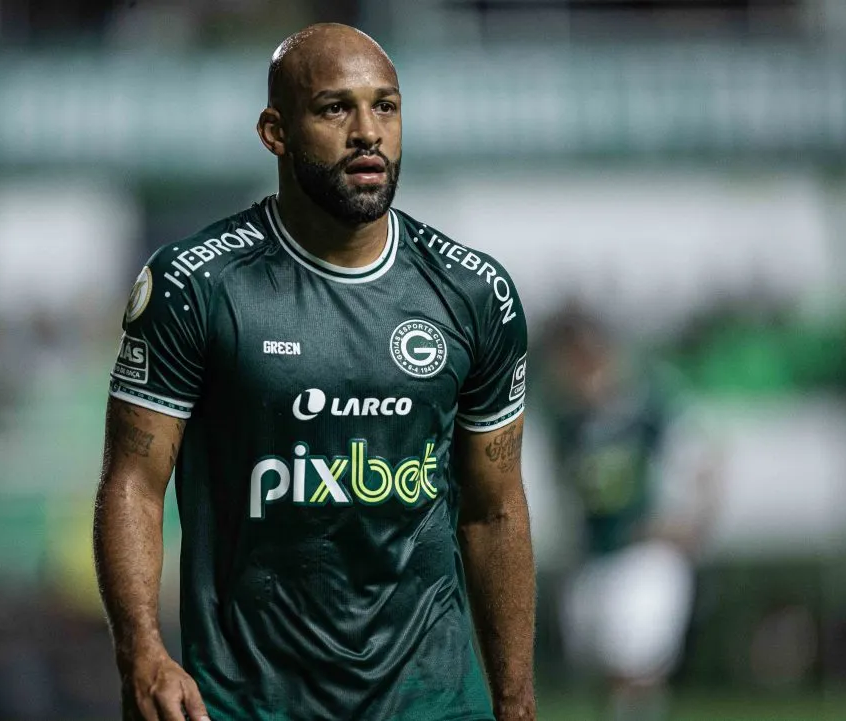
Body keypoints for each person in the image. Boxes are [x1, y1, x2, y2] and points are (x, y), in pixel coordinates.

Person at [93, 23, 536, 721]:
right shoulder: (197, 285)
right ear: (275, 131)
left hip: (432, 699)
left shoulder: (475, 293)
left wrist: (515, 700)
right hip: (250, 701)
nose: (368, 132)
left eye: (385, 107)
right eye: (336, 108)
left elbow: (496, 509)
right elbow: (133, 484)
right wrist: (142, 651)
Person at [539, 308, 717, 721]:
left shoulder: (646, 405)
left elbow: (705, 460)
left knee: (636, 667)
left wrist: (692, 526)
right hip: (594, 557)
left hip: (643, 552)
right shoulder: (565, 418)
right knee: (607, 670)